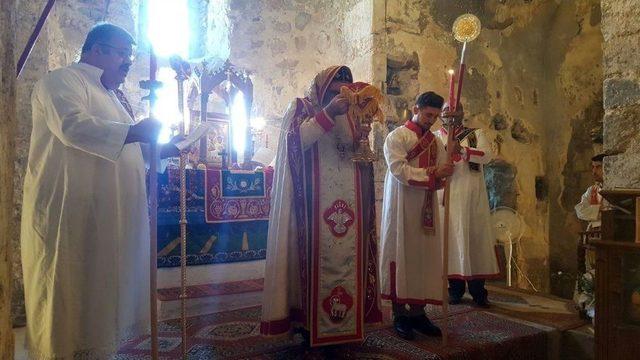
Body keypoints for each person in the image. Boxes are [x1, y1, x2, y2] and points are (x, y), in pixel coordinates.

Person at [20, 22, 179, 359]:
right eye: (122, 53)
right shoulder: (61, 81)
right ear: (96, 49)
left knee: (99, 287)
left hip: (108, 210)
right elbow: (72, 127)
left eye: (130, 56)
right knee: (68, 286)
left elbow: (124, 144)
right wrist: (136, 133)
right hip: (70, 206)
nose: (127, 62)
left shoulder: (113, 97)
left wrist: (160, 150)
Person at [260, 66, 383, 347]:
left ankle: (346, 326)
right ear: (322, 85)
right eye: (336, 80)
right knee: (311, 262)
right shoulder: (301, 107)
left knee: (347, 261)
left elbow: (360, 154)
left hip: (349, 208)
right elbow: (293, 144)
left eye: (347, 81)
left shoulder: (354, 115)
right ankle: (306, 323)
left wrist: (364, 126)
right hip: (310, 206)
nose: (342, 86)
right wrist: (328, 114)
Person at [379, 91, 454, 340]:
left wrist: (447, 167)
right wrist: (435, 171)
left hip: (426, 207)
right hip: (402, 204)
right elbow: (398, 169)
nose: (431, 120)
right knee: (402, 254)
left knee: (424, 257)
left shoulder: (435, 141)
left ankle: (419, 313)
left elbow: (444, 168)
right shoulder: (397, 136)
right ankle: (400, 314)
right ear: (416, 108)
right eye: (427, 114)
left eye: (435, 116)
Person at [435, 105, 500, 307]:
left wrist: (461, 150)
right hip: (447, 197)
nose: (450, 115)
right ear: (441, 114)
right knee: (451, 242)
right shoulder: (435, 136)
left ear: (462, 114)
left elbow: (487, 156)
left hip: (471, 198)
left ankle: (478, 291)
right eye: (445, 111)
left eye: (454, 111)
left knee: (474, 241)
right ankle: (454, 289)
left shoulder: (475, 134)